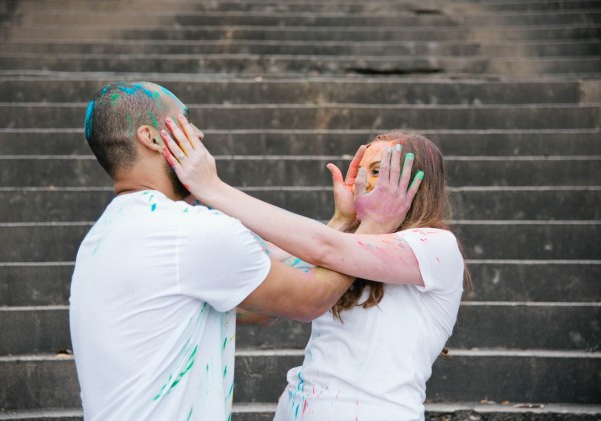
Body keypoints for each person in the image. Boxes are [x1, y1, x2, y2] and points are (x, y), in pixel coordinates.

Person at [69, 81, 412, 420]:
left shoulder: (102, 239)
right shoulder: (188, 233)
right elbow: (309, 298)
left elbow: (262, 306)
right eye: (186, 122)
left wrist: (341, 222)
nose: (199, 134)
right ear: (154, 138)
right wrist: (372, 228)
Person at [160, 116, 468, 421]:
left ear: (416, 184)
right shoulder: (346, 246)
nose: (362, 183)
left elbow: (325, 248)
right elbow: (278, 268)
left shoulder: (435, 247)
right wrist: (343, 221)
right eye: (360, 173)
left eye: (377, 172)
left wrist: (212, 188)